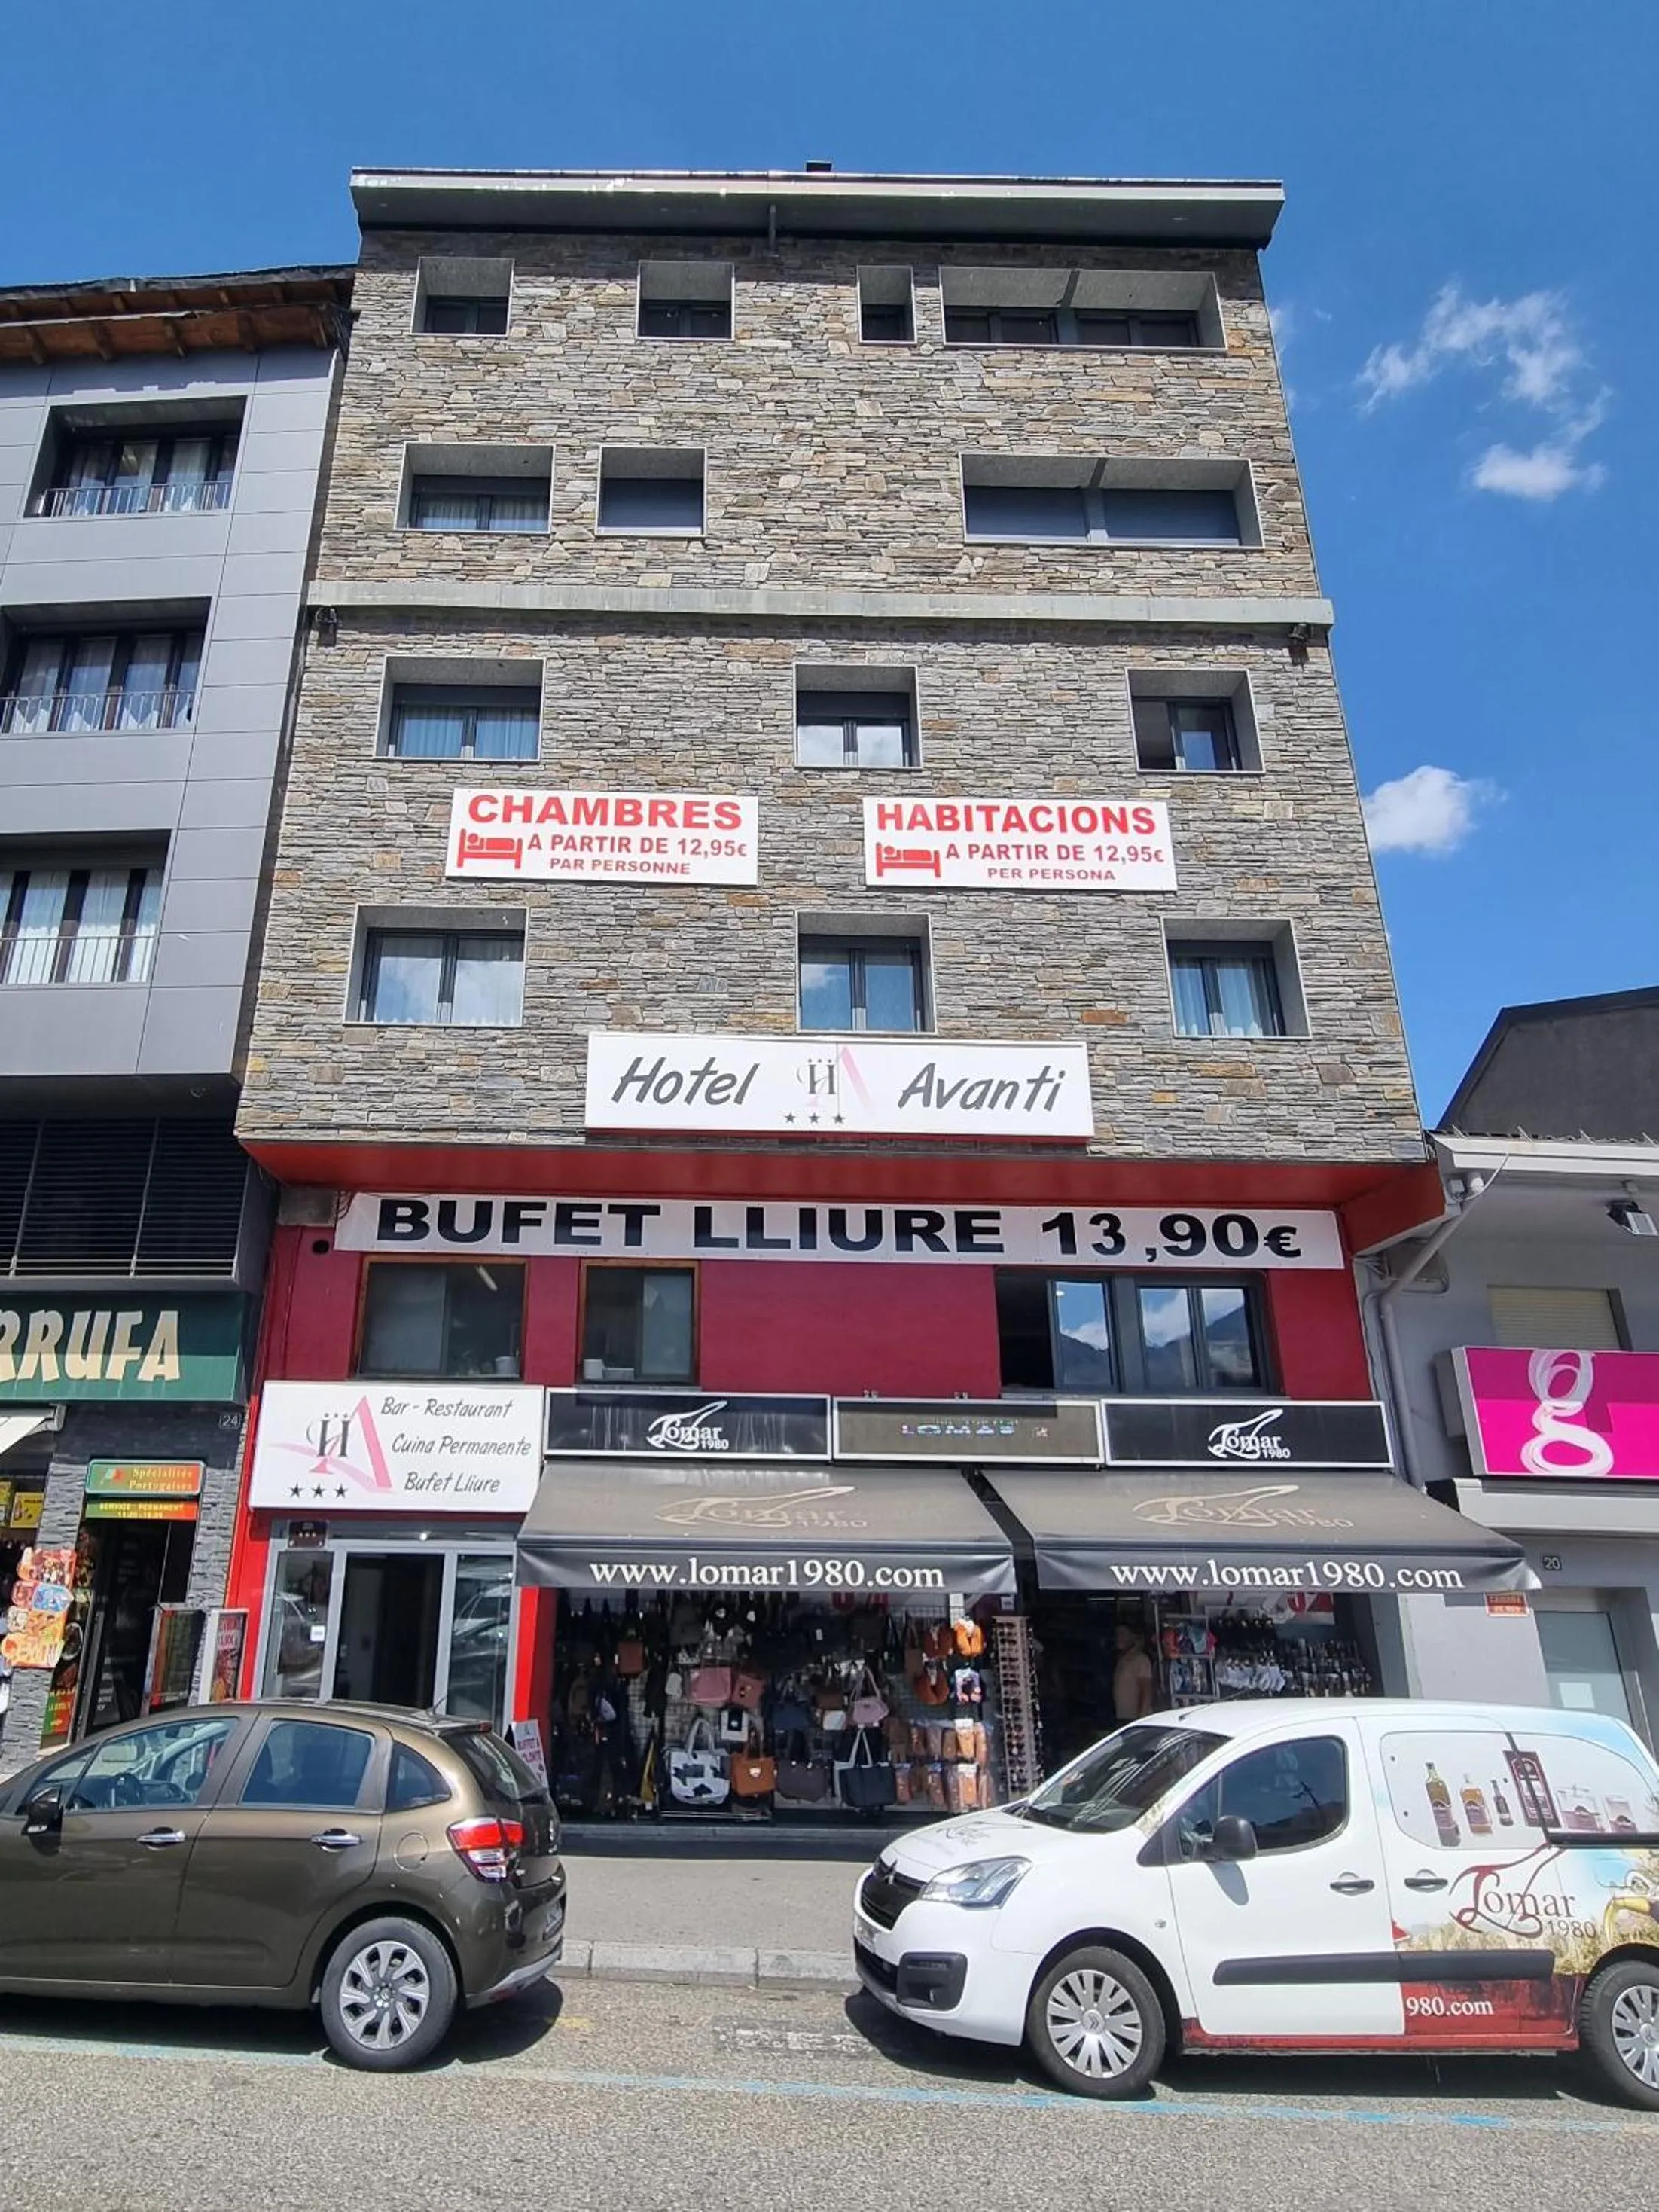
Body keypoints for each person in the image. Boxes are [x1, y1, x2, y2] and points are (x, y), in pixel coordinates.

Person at [1112, 1621, 1156, 1723]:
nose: (1119, 1638)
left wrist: (1141, 1718)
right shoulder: (1123, 1659)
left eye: (1123, 1634)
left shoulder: (1141, 1660)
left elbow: (1146, 1691)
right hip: (1124, 1716)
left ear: (1134, 1637)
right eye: (1117, 1634)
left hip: (1135, 1719)